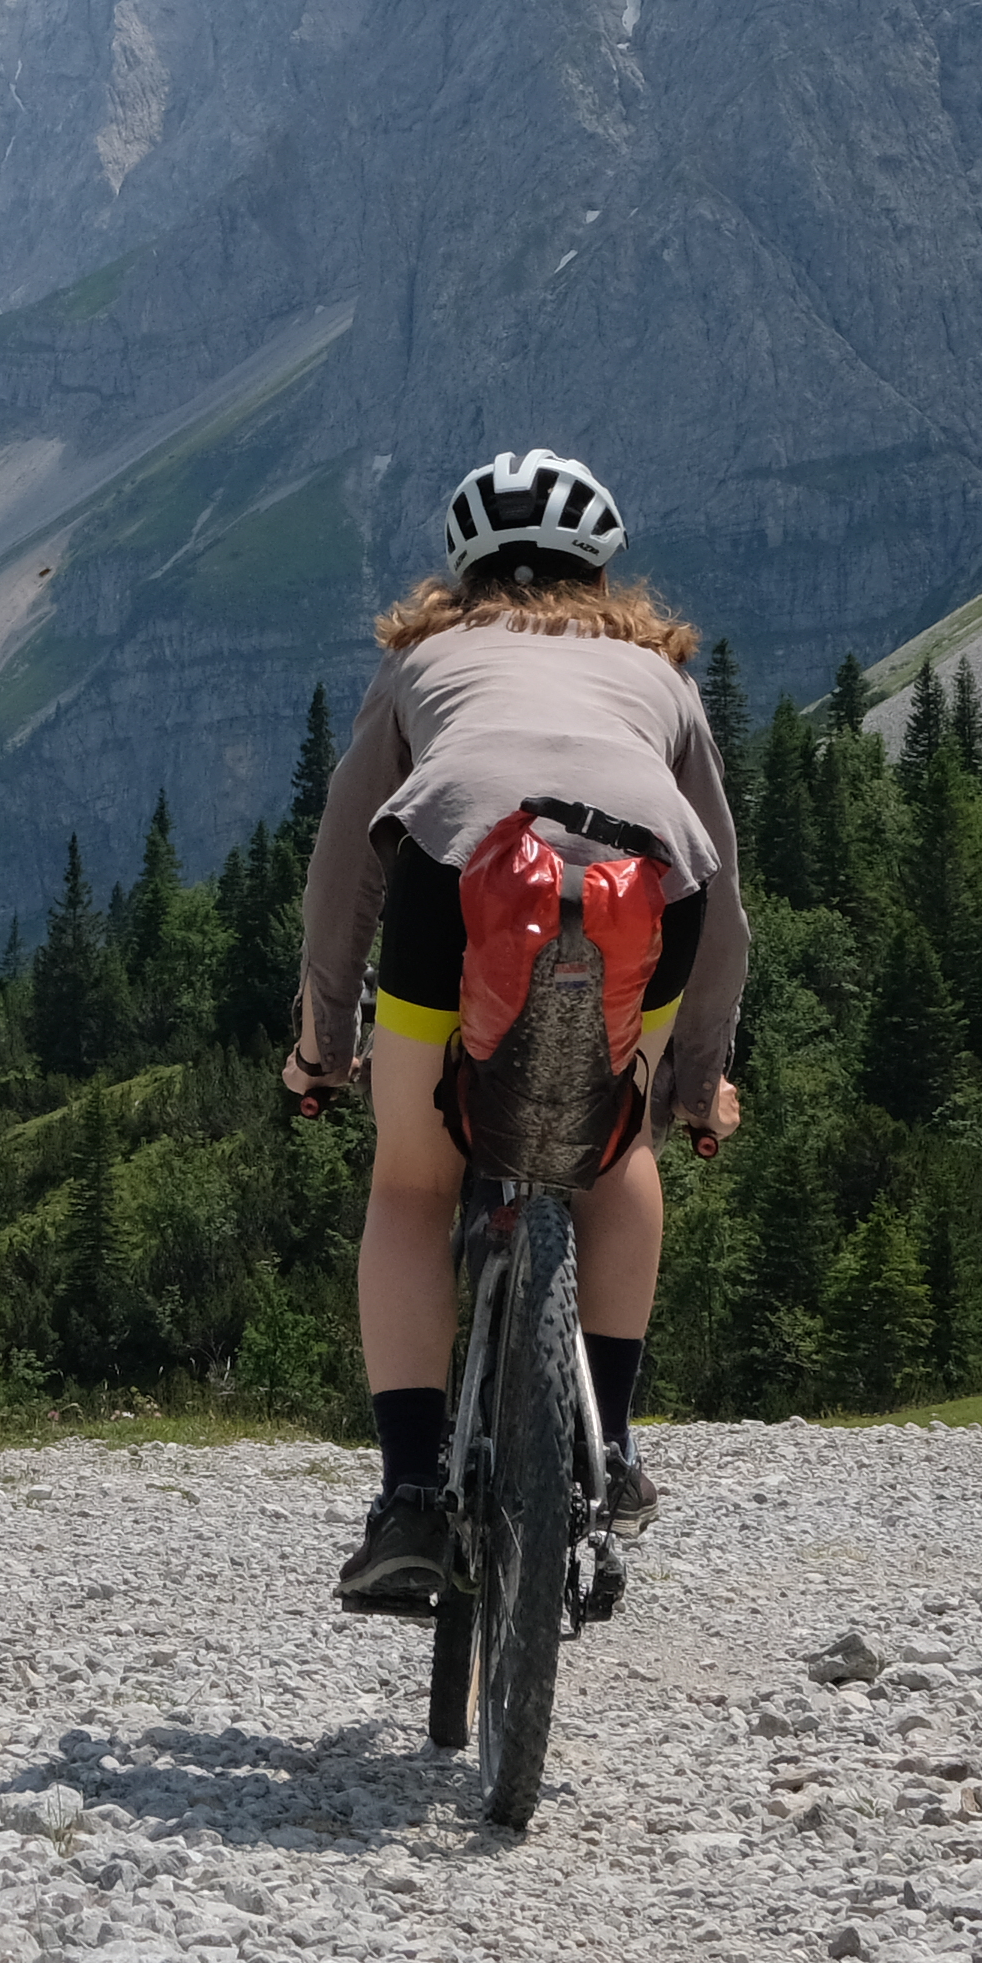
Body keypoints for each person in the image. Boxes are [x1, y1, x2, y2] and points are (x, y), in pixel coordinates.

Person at [283, 447, 750, 1614]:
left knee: (409, 1186)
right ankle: (617, 1439)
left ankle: (407, 1499)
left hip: (458, 872)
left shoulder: (420, 663)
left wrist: (323, 1043)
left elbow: (344, 867)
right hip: (648, 885)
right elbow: (725, 889)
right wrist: (699, 1078)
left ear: (464, 574)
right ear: (600, 573)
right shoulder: (662, 681)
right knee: (618, 1153)